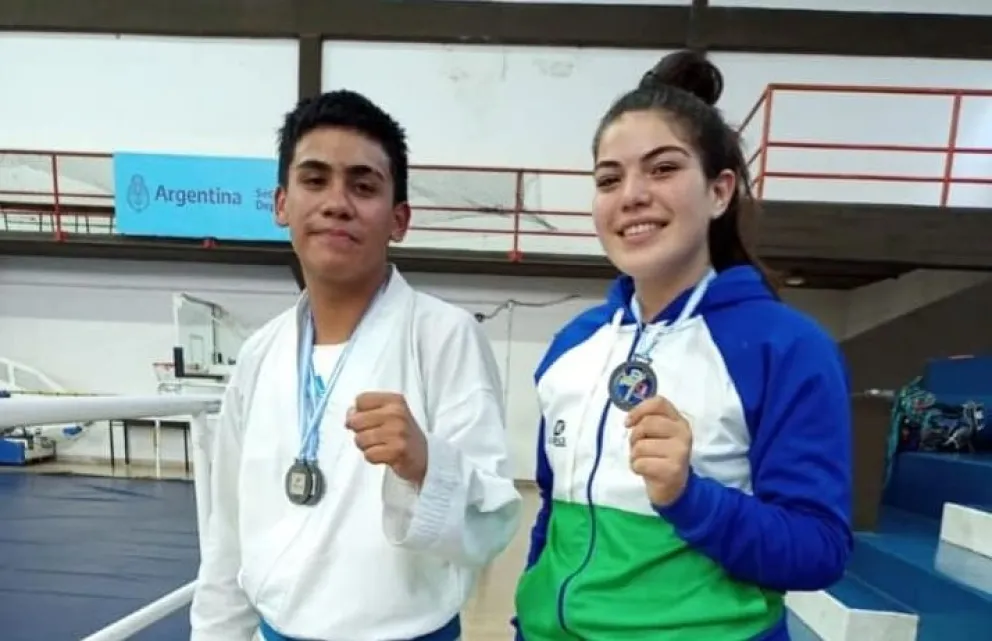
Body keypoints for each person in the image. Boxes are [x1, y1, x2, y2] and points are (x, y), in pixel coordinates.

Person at [512, 50, 853, 641]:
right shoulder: (573, 346)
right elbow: (551, 515)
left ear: (719, 192)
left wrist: (690, 498)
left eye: (663, 169)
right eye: (609, 178)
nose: (632, 195)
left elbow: (819, 549)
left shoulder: (787, 347)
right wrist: (529, 623)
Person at [189, 89, 522, 641]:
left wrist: (426, 466)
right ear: (281, 204)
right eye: (314, 180)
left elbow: (490, 526)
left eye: (363, 186)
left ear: (399, 218)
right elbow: (228, 534)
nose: (337, 202)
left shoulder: (443, 337)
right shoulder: (260, 355)